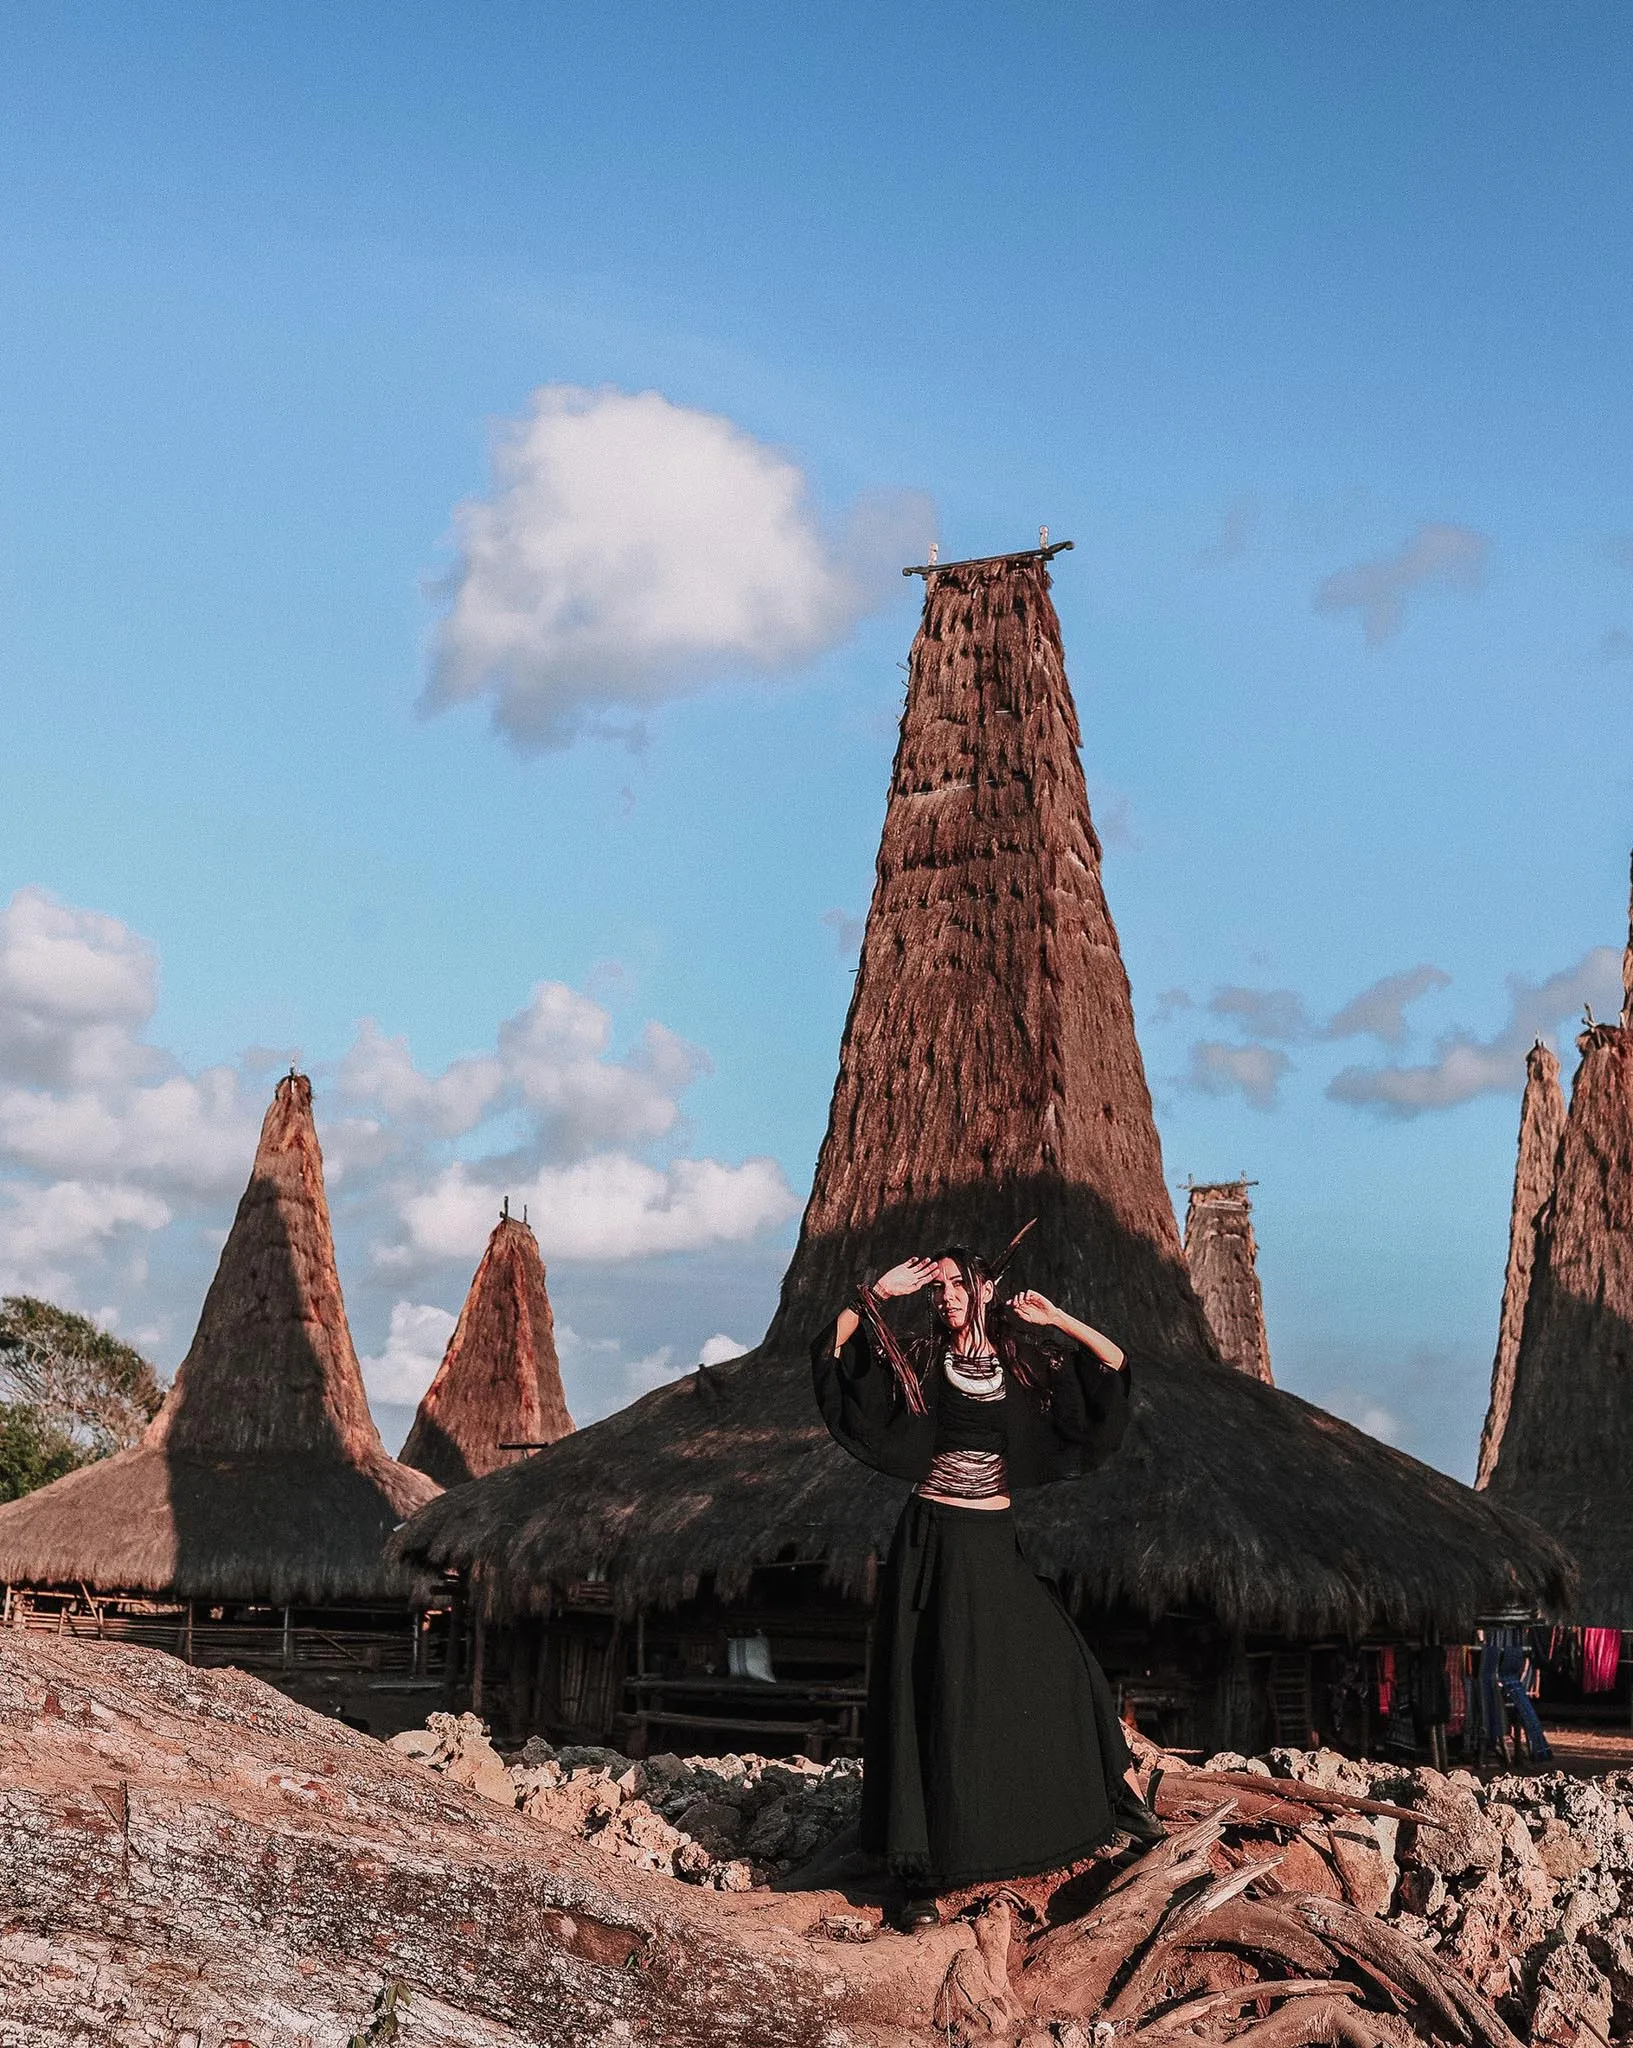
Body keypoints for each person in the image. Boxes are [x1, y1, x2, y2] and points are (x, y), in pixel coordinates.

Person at [812, 1239, 1162, 1930]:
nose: (942, 1297)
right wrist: (873, 1297)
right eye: (934, 1288)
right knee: (931, 1686)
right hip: (932, 1538)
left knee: (1065, 1663)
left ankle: (1115, 1799)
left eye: (954, 1285)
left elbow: (1115, 1368)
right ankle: (919, 1874)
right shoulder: (915, 1360)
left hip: (993, 1540)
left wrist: (1057, 1318)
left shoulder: (1025, 1363)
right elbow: (832, 1355)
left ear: (985, 1289)